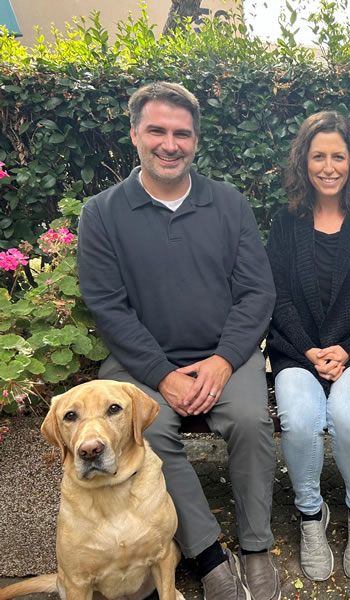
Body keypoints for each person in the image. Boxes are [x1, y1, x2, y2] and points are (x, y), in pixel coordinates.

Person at [77, 81, 280, 600]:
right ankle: (210, 555)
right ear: (135, 134)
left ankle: (256, 547)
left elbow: (257, 293)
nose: (170, 144)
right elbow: (108, 307)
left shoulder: (229, 204)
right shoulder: (101, 214)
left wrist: (222, 362)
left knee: (252, 421)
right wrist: (163, 375)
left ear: (195, 140)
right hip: (141, 366)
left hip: (224, 358)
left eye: (182, 134)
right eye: (157, 131)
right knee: (144, 433)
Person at [266, 111, 350, 581]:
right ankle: (311, 515)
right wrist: (310, 350)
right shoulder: (286, 221)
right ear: (304, 161)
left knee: (347, 418)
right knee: (298, 421)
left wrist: (347, 350)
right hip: (298, 350)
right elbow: (276, 295)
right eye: (319, 156)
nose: (329, 166)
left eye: (339, 156)